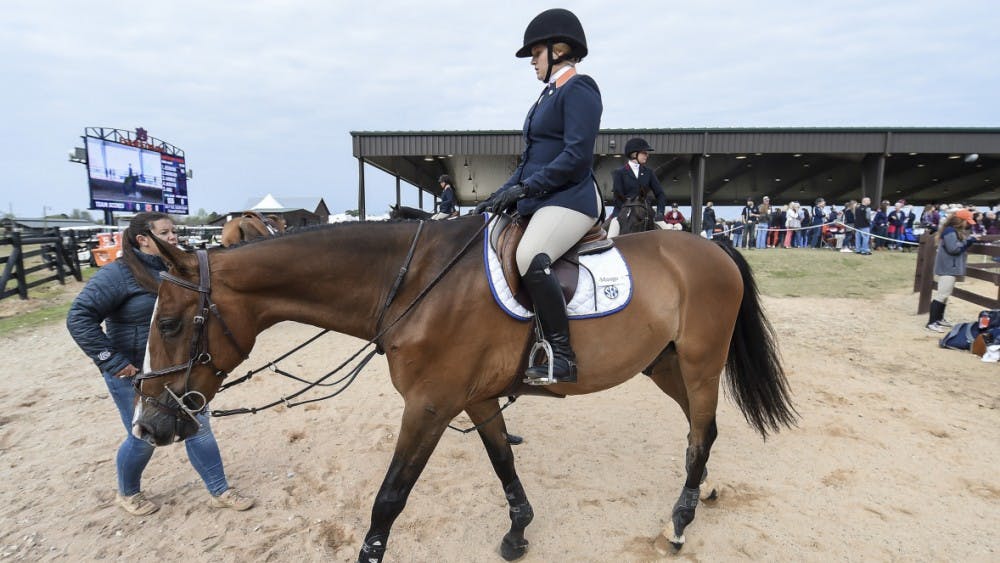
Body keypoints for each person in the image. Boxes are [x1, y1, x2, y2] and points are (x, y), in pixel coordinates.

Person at [66, 212, 255, 515]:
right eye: (165, 233)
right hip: (133, 373)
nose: (173, 238)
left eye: (174, 232)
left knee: (198, 426)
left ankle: (219, 490)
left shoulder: (177, 269)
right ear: (143, 239)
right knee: (144, 438)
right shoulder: (117, 274)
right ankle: (127, 493)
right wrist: (112, 361)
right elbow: (78, 318)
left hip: (174, 369)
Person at [473, 8, 601, 384]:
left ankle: (561, 354)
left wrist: (526, 188)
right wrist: (499, 195)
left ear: (558, 49)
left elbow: (576, 156)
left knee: (531, 255)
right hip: (544, 196)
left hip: (572, 198)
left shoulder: (580, 89)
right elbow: (531, 160)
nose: (532, 60)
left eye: (536, 52)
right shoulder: (546, 97)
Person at [926, 209, 978, 332]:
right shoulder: (950, 231)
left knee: (945, 294)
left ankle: (939, 319)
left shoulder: (952, 231)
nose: (968, 224)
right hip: (947, 267)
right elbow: (953, 249)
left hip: (950, 267)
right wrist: (969, 241)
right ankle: (931, 322)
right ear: (961, 221)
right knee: (942, 294)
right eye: (967, 221)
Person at [607, 137, 667, 237]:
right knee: (611, 236)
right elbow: (618, 197)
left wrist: (660, 213)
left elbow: (660, 194)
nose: (647, 155)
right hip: (623, 212)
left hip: (646, 211)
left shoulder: (649, 172)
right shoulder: (619, 173)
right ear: (634, 154)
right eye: (644, 153)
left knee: (669, 232)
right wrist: (629, 210)